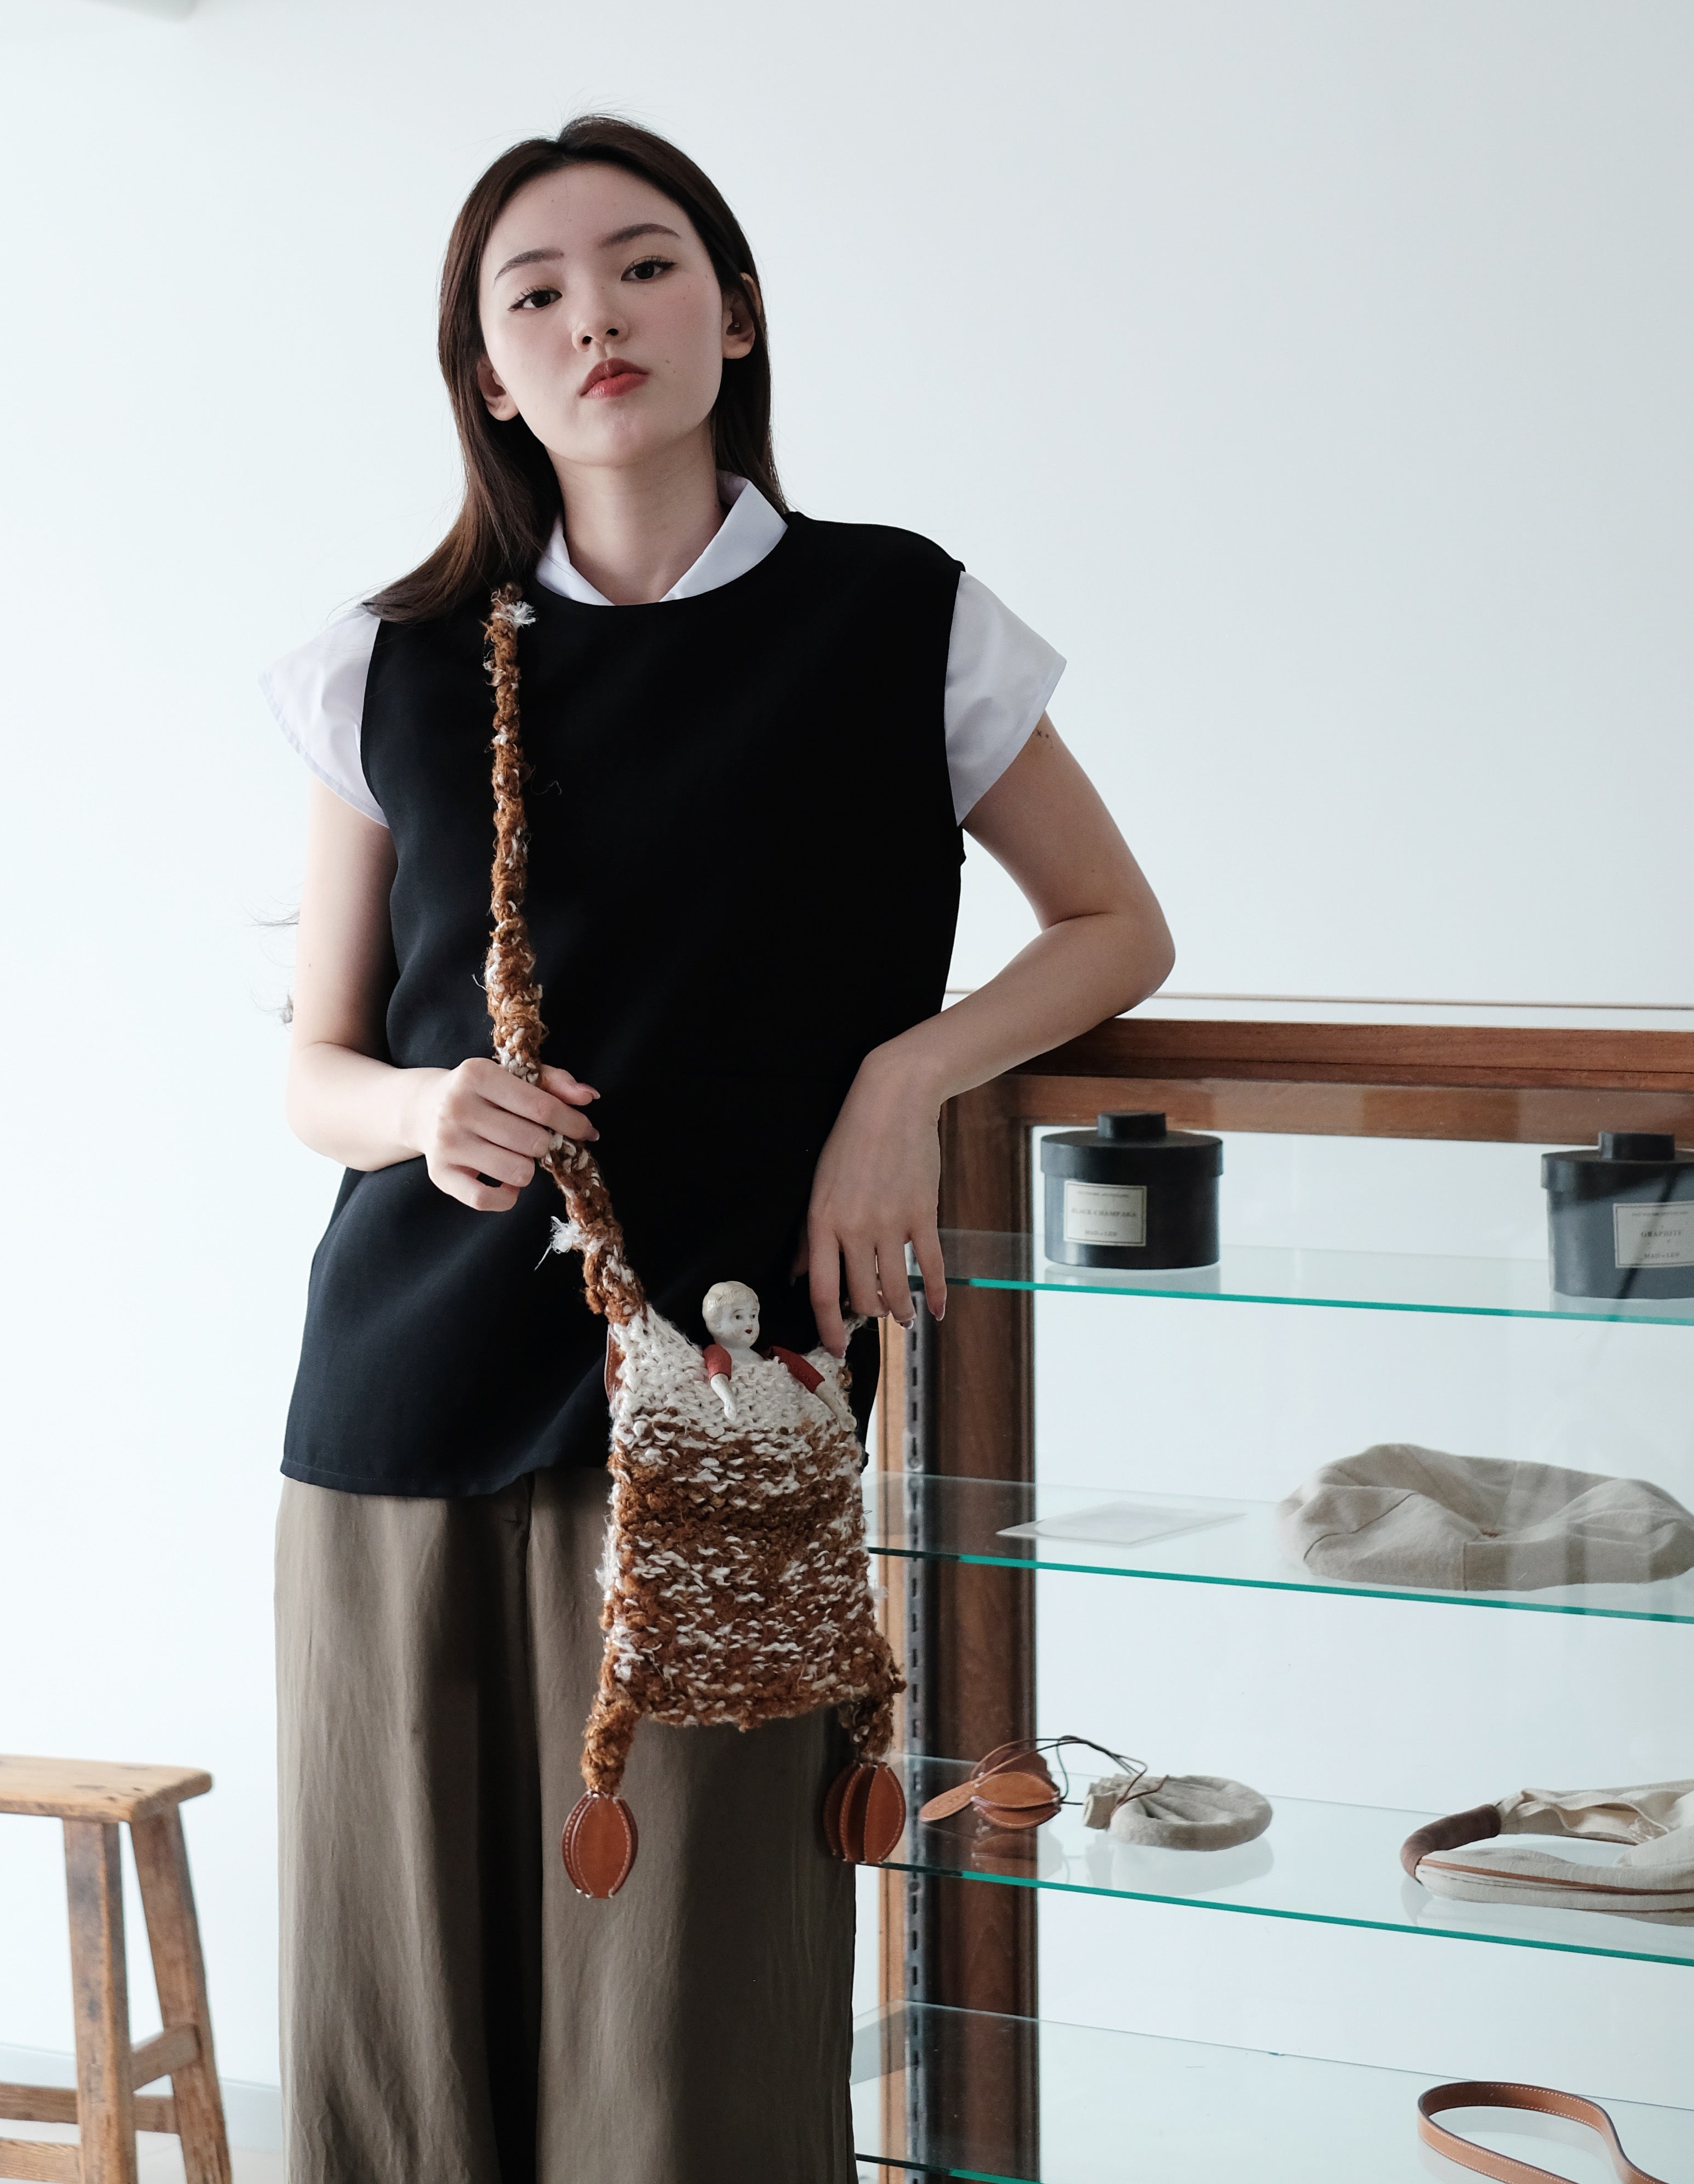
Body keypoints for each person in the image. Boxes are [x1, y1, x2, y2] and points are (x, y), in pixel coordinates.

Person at [263, 116, 1173, 2184]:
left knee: (692, 2020)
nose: (596, 314)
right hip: (405, 1380)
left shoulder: (898, 617)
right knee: (402, 2009)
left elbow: (1116, 927)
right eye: (536, 292)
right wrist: (422, 1107)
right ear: (489, 372)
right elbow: (316, 1068)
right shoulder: (386, 664)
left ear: (736, 316)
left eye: (647, 264)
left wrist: (902, 1084)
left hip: (743, 1382)